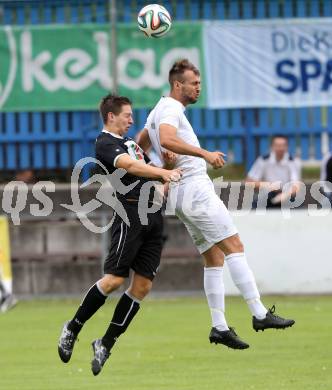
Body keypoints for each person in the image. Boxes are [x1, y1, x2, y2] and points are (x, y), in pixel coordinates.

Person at [139, 59, 295, 350]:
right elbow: (168, 138)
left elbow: (140, 145)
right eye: (193, 83)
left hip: (181, 193)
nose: (198, 88)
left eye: (199, 82)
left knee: (214, 258)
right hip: (195, 189)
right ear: (177, 85)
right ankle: (259, 313)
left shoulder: (157, 110)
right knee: (234, 246)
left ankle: (219, 326)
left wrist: (158, 164)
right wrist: (205, 154)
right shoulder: (171, 109)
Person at [58, 94, 181, 376]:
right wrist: (162, 172)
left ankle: (105, 343)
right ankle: (72, 327)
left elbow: (152, 174)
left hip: (154, 216)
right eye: (127, 115)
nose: (131, 119)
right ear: (111, 117)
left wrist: (167, 171)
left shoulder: (131, 144)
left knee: (142, 287)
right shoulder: (105, 143)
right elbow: (132, 166)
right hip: (130, 215)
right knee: (114, 279)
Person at [246, 135, 301, 208]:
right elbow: (249, 182)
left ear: (287, 147)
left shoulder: (293, 162)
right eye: (278, 145)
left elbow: (296, 185)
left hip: (286, 195)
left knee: (298, 205)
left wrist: (286, 195)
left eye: (283, 145)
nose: (281, 148)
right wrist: (267, 185)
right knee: (256, 205)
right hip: (267, 194)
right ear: (272, 147)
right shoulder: (263, 160)